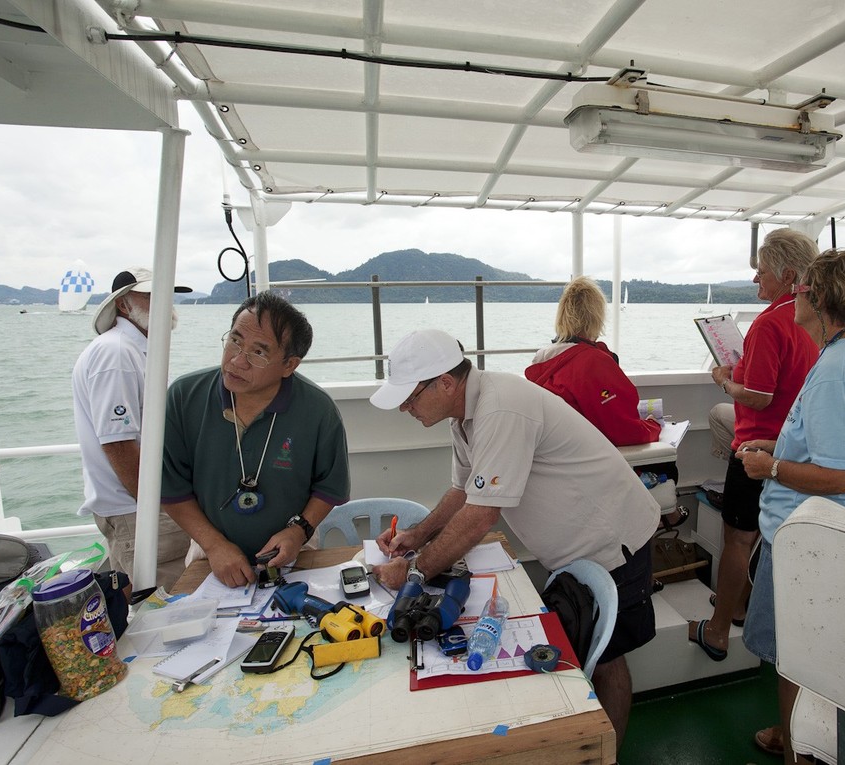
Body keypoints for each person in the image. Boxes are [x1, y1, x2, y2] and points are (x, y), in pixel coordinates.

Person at [369, 329, 659, 753]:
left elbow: (483, 514)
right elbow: (463, 490)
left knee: (609, 658)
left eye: (410, 398)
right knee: (588, 653)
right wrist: (416, 535)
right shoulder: (464, 416)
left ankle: (605, 755)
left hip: (614, 538)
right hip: (573, 549)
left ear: (445, 383)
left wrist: (413, 572)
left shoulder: (501, 409)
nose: (406, 408)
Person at [738, 249, 845, 762]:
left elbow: (842, 473)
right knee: (813, 649)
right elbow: (843, 452)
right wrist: (778, 449)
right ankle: (793, 735)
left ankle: (796, 754)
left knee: (794, 657)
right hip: (842, 526)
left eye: (801, 289)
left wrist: (773, 469)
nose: (794, 297)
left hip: (807, 533)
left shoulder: (833, 369)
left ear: (819, 297)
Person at [688, 229, 819, 661]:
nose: (755, 280)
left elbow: (759, 396)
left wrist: (726, 380)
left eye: (760, 271)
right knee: (765, 539)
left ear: (785, 274)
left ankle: (721, 628)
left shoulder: (768, 324)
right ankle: (741, 604)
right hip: (796, 447)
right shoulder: (814, 319)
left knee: (738, 538)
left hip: (757, 448)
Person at [161, 292, 350, 587]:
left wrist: (298, 532)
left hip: (293, 554)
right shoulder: (184, 397)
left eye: (259, 352)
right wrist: (214, 546)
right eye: (235, 340)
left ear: (290, 365)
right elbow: (172, 488)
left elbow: (329, 486)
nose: (237, 360)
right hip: (207, 554)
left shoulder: (318, 410)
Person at [525, 276, 684, 526]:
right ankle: (669, 519)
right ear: (597, 317)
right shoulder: (592, 363)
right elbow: (625, 431)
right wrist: (654, 426)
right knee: (667, 461)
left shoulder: (544, 363)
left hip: (559, 471)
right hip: (591, 470)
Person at [72, 267, 193, 590]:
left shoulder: (135, 350)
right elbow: (118, 444)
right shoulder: (117, 353)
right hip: (139, 510)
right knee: (164, 604)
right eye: (153, 296)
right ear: (124, 305)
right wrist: (165, 505)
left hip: (144, 507)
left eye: (167, 295)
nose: (166, 303)